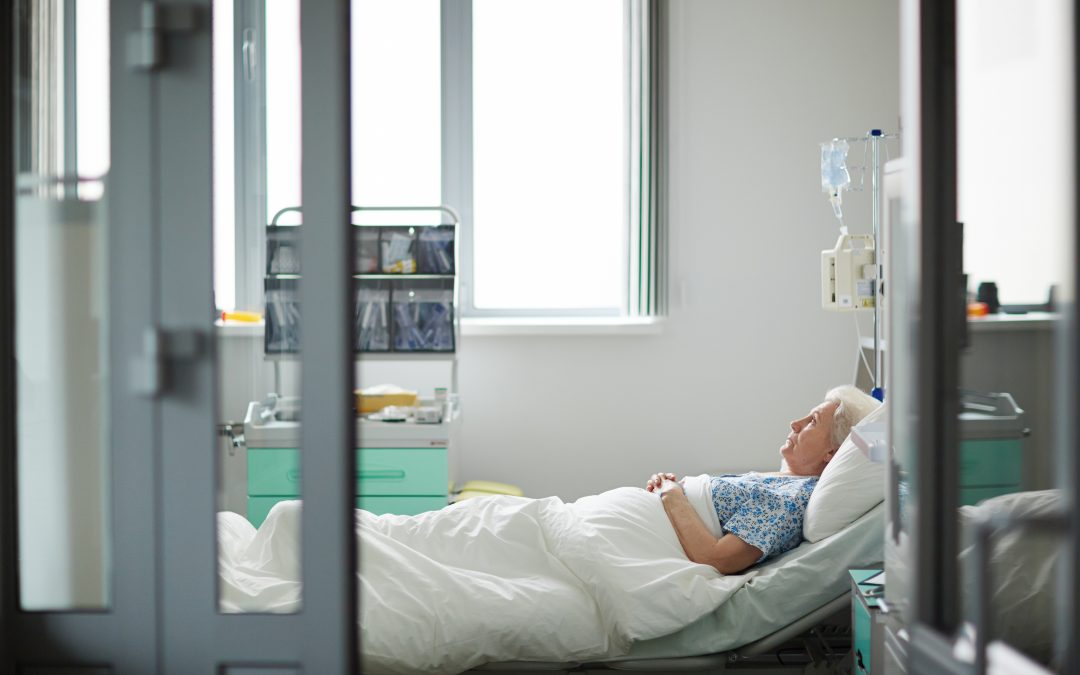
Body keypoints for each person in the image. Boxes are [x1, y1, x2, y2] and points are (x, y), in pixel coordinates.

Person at [645, 385, 879, 575]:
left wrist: (672, 494)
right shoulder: (780, 481)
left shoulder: (789, 498)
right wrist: (667, 487)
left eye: (812, 421)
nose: (795, 423)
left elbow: (718, 558)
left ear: (831, 452)